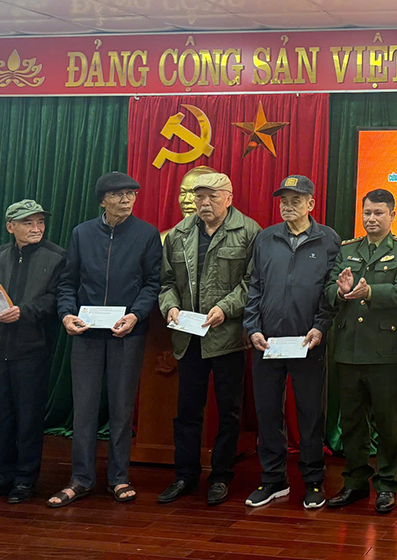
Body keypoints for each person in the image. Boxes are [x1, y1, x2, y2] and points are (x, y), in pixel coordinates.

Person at [50, 172, 162, 507]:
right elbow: (67, 282)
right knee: (84, 407)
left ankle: (119, 478)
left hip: (126, 332)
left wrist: (136, 315)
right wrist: (66, 314)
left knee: (122, 407)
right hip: (86, 332)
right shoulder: (82, 233)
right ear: (103, 200)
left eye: (131, 194)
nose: (126, 200)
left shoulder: (147, 234)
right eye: (118, 195)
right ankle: (81, 479)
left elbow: (153, 283)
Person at [157, 172, 261, 506]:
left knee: (229, 411)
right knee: (187, 410)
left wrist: (224, 308)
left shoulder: (249, 232)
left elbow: (253, 283)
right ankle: (185, 476)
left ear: (229, 198)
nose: (204, 203)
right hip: (189, 337)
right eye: (199, 196)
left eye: (212, 197)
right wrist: (171, 306)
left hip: (228, 336)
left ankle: (221, 476)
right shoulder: (179, 233)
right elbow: (166, 282)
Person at [242, 175, 341, 509]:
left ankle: (313, 481)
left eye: (295, 200)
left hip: (308, 342)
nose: (287, 206)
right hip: (267, 343)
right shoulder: (266, 238)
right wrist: (252, 328)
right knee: (268, 413)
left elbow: (330, 292)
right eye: (283, 201)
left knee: (310, 414)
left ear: (311, 203)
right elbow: (254, 286)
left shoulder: (329, 240)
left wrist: (320, 327)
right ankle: (273, 480)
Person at [325, 189, 397, 514]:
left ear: (392, 215)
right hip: (348, 349)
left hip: (385, 352)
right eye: (367, 212)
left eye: (379, 213)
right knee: (352, 421)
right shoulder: (347, 248)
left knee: (388, 423)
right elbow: (328, 288)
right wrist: (341, 291)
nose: (372, 219)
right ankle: (354, 482)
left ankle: (387, 484)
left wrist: (369, 291)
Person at [0, 200, 65, 504]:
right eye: (28, 223)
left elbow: (56, 298)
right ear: (10, 227)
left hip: (32, 351)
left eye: (40, 222)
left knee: (29, 418)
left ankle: (25, 480)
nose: (36, 228)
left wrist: (24, 311)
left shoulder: (57, 257)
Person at [160, 165, 217, 243]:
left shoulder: (232, 239)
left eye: (194, 193)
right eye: (183, 193)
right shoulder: (166, 240)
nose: (186, 200)